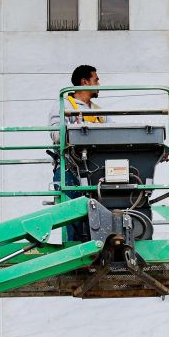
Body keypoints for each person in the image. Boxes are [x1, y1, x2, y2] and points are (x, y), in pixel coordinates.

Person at [50, 65, 107, 240]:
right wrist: (77, 131)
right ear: (84, 82)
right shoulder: (64, 105)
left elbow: (113, 134)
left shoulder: (98, 111)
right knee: (71, 215)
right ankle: (74, 253)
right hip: (70, 169)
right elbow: (55, 134)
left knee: (98, 215)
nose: (99, 83)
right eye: (96, 79)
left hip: (96, 170)